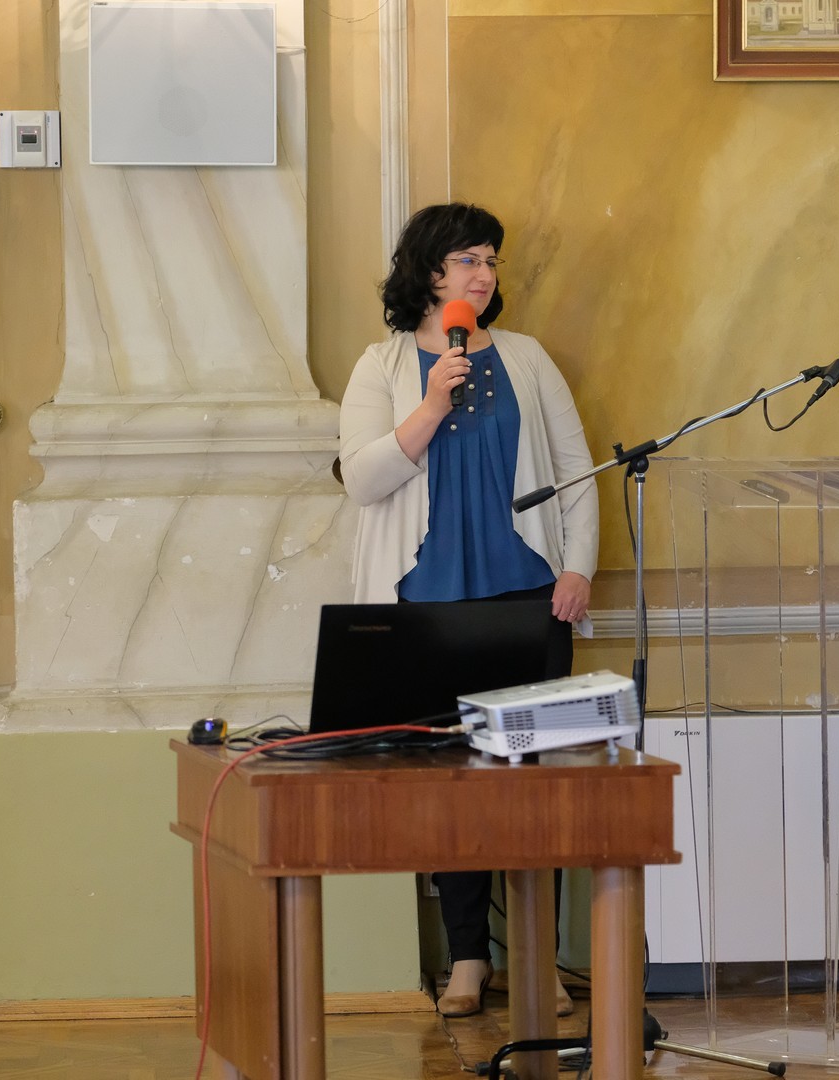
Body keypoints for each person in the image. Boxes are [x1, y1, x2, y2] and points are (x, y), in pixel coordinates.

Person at [338, 202, 598, 1019]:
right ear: (428, 272)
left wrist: (578, 567)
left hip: (527, 597)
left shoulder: (526, 357)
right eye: (467, 261)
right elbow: (362, 481)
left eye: (490, 261)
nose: (483, 276)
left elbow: (576, 468)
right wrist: (430, 405)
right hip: (426, 604)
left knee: (531, 788)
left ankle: (540, 961)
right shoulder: (380, 366)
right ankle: (467, 960)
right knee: (452, 787)